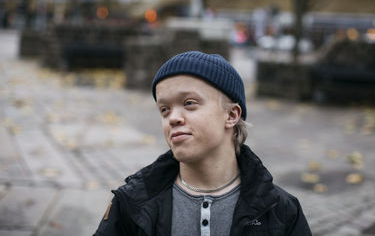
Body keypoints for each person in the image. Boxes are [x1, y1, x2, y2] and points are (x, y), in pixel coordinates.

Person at [93, 51, 312, 236]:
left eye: (189, 103)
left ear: (231, 115)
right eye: (164, 109)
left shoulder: (281, 211)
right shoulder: (131, 204)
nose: (173, 118)